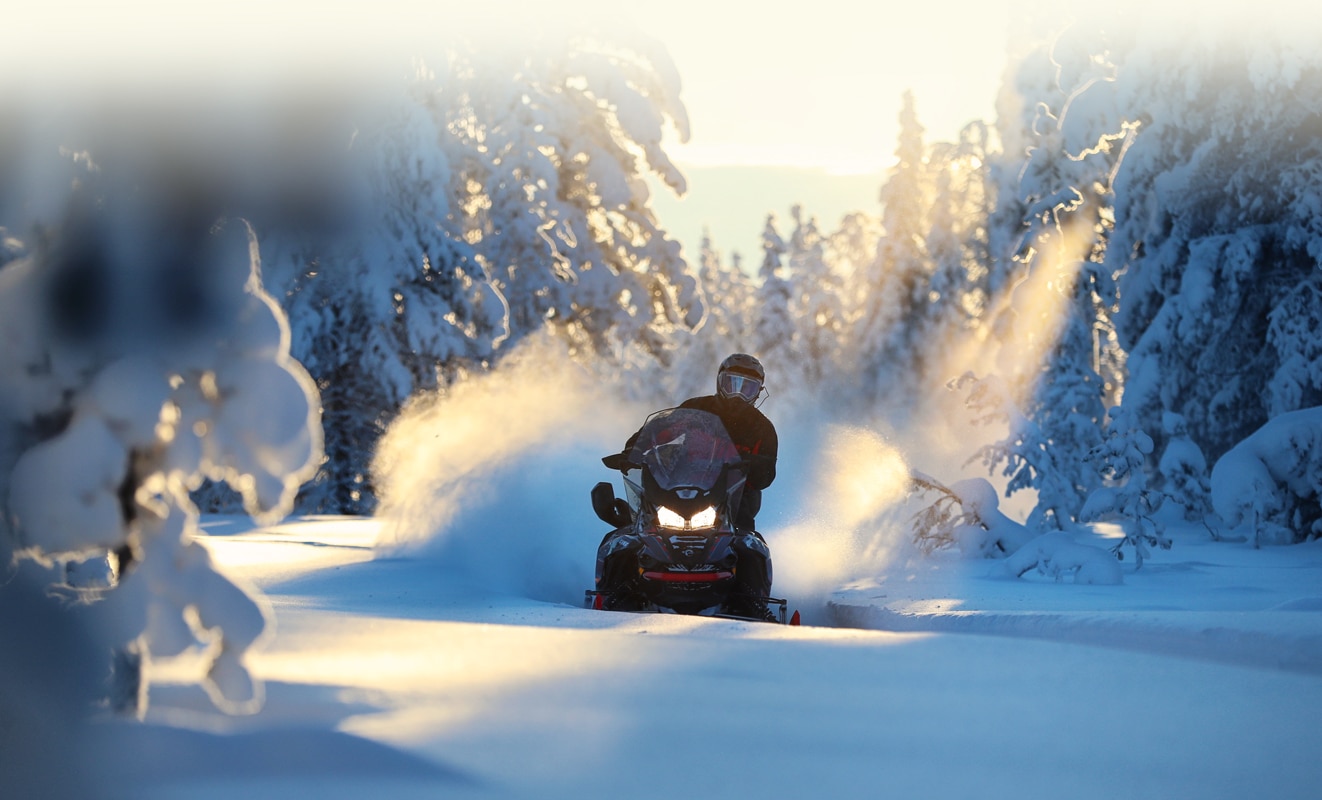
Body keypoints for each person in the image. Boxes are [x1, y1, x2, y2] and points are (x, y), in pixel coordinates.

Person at [617, 353, 779, 620]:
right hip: (680, 490)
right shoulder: (697, 409)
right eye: (732, 384)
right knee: (629, 538)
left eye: (747, 388)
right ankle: (620, 590)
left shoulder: (762, 429)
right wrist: (635, 449)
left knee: (749, 546)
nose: (738, 394)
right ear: (719, 382)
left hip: (733, 503)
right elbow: (660, 429)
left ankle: (751, 601)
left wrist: (753, 466)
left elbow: (767, 476)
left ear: (758, 392)